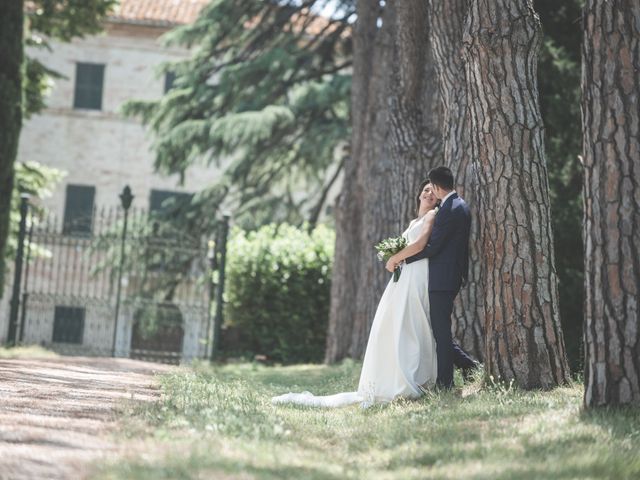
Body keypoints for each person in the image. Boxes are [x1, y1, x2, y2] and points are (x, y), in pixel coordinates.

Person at [272, 181, 441, 408]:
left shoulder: (432, 216)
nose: (429, 193)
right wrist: (396, 258)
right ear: (419, 194)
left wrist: (394, 258)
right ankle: (391, 377)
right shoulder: (413, 221)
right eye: (426, 190)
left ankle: (413, 378)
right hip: (403, 274)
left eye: (433, 191)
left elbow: (420, 244)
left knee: (412, 321)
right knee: (393, 323)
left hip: (417, 272)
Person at [387, 166, 479, 389]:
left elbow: (432, 246)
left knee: (439, 331)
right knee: (435, 328)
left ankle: (446, 382)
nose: (430, 194)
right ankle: (464, 369)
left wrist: (401, 259)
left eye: (432, 189)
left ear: (437, 187)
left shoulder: (450, 209)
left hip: (442, 279)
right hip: (440, 277)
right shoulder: (456, 205)